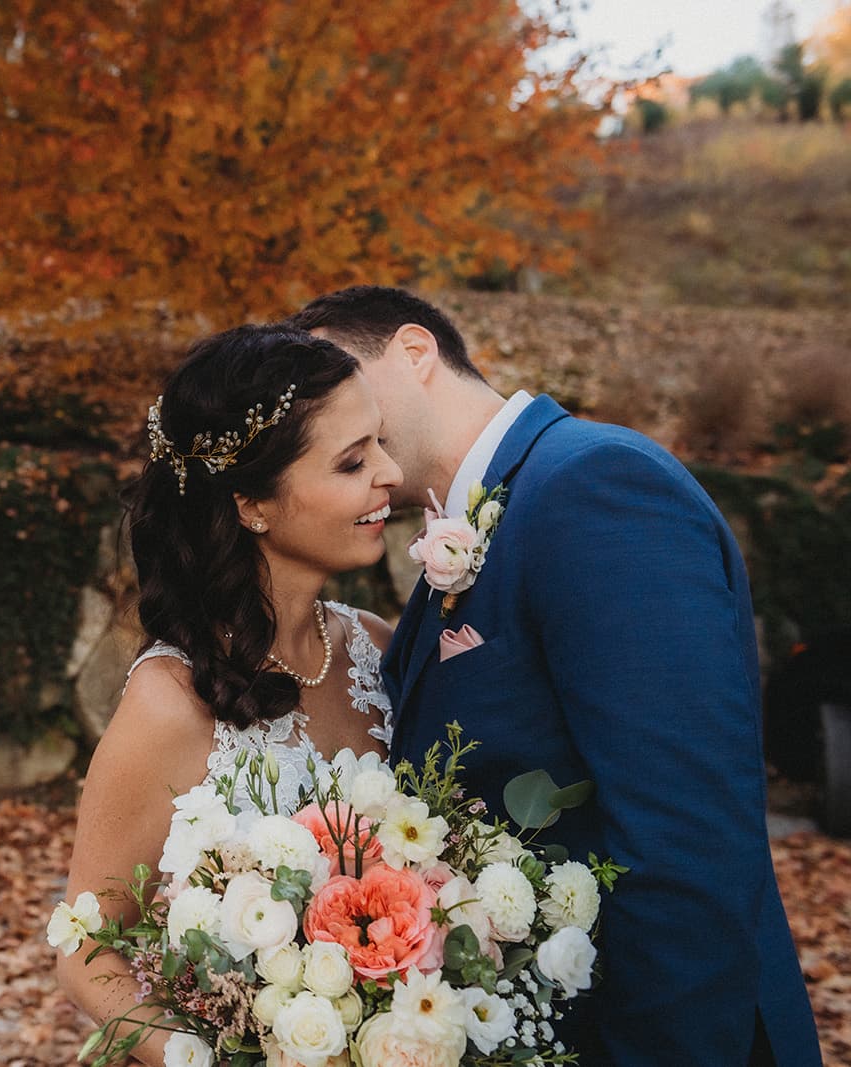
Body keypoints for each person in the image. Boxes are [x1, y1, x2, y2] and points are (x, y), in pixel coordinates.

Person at [288, 285, 822, 1066]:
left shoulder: (595, 486)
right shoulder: (475, 523)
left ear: (414, 351)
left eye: (341, 380)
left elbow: (686, 842)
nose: (333, 416)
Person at [56, 324, 401, 1065]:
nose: (391, 473)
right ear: (252, 504)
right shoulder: (169, 702)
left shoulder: (379, 646)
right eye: (352, 461)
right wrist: (200, 1056)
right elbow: (86, 948)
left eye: (381, 443)